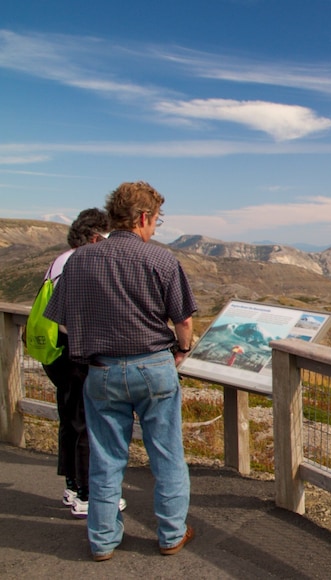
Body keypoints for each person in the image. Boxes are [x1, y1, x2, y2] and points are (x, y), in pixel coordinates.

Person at [45, 181, 197, 562]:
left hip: (101, 371)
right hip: (154, 367)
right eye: (156, 222)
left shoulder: (79, 259)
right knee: (167, 455)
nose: (154, 229)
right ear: (143, 217)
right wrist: (181, 351)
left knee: (106, 457)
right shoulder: (160, 260)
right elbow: (183, 321)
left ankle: (102, 539)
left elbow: (62, 322)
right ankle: (171, 534)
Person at [37, 208, 125, 518]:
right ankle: (88, 493)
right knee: (87, 422)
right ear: (92, 237)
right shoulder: (80, 263)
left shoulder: (60, 260)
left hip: (57, 352)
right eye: (106, 237)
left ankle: (74, 486)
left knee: (70, 418)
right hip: (75, 352)